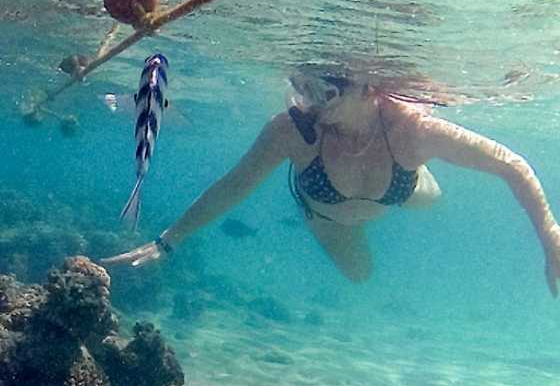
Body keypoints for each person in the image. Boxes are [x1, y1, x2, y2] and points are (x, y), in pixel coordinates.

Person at [101, 70, 560, 296]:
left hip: (401, 190)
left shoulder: (412, 129)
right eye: (302, 86)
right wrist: (168, 241)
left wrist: (551, 238)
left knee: (434, 200)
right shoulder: (293, 132)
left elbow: (511, 165)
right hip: (326, 212)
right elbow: (233, 185)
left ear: (369, 89)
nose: (308, 103)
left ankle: (419, 177)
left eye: (324, 91)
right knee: (360, 275)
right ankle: (308, 208)